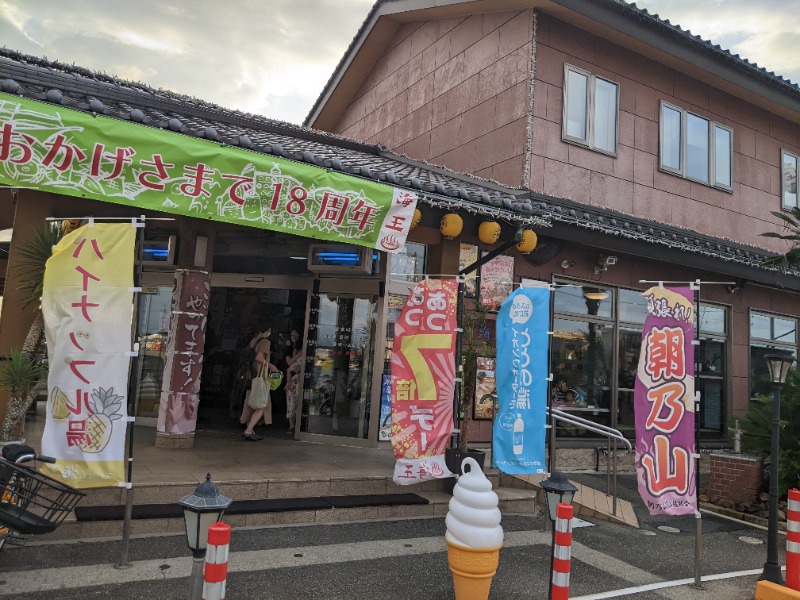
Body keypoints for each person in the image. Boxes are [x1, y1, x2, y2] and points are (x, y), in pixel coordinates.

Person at [240, 325, 278, 441]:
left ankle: (251, 431)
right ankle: (248, 430)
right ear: (268, 330)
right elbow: (259, 358)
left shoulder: (254, 340)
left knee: (250, 405)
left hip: (250, 377)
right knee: (262, 405)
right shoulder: (265, 342)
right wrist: (271, 365)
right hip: (260, 378)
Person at [284, 328, 304, 434]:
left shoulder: (301, 347)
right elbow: (289, 364)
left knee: (298, 402)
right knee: (291, 402)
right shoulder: (291, 349)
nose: (294, 336)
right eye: (292, 335)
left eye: (296, 335)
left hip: (299, 378)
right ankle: (292, 425)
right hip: (293, 378)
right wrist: (299, 354)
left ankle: (296, 424)